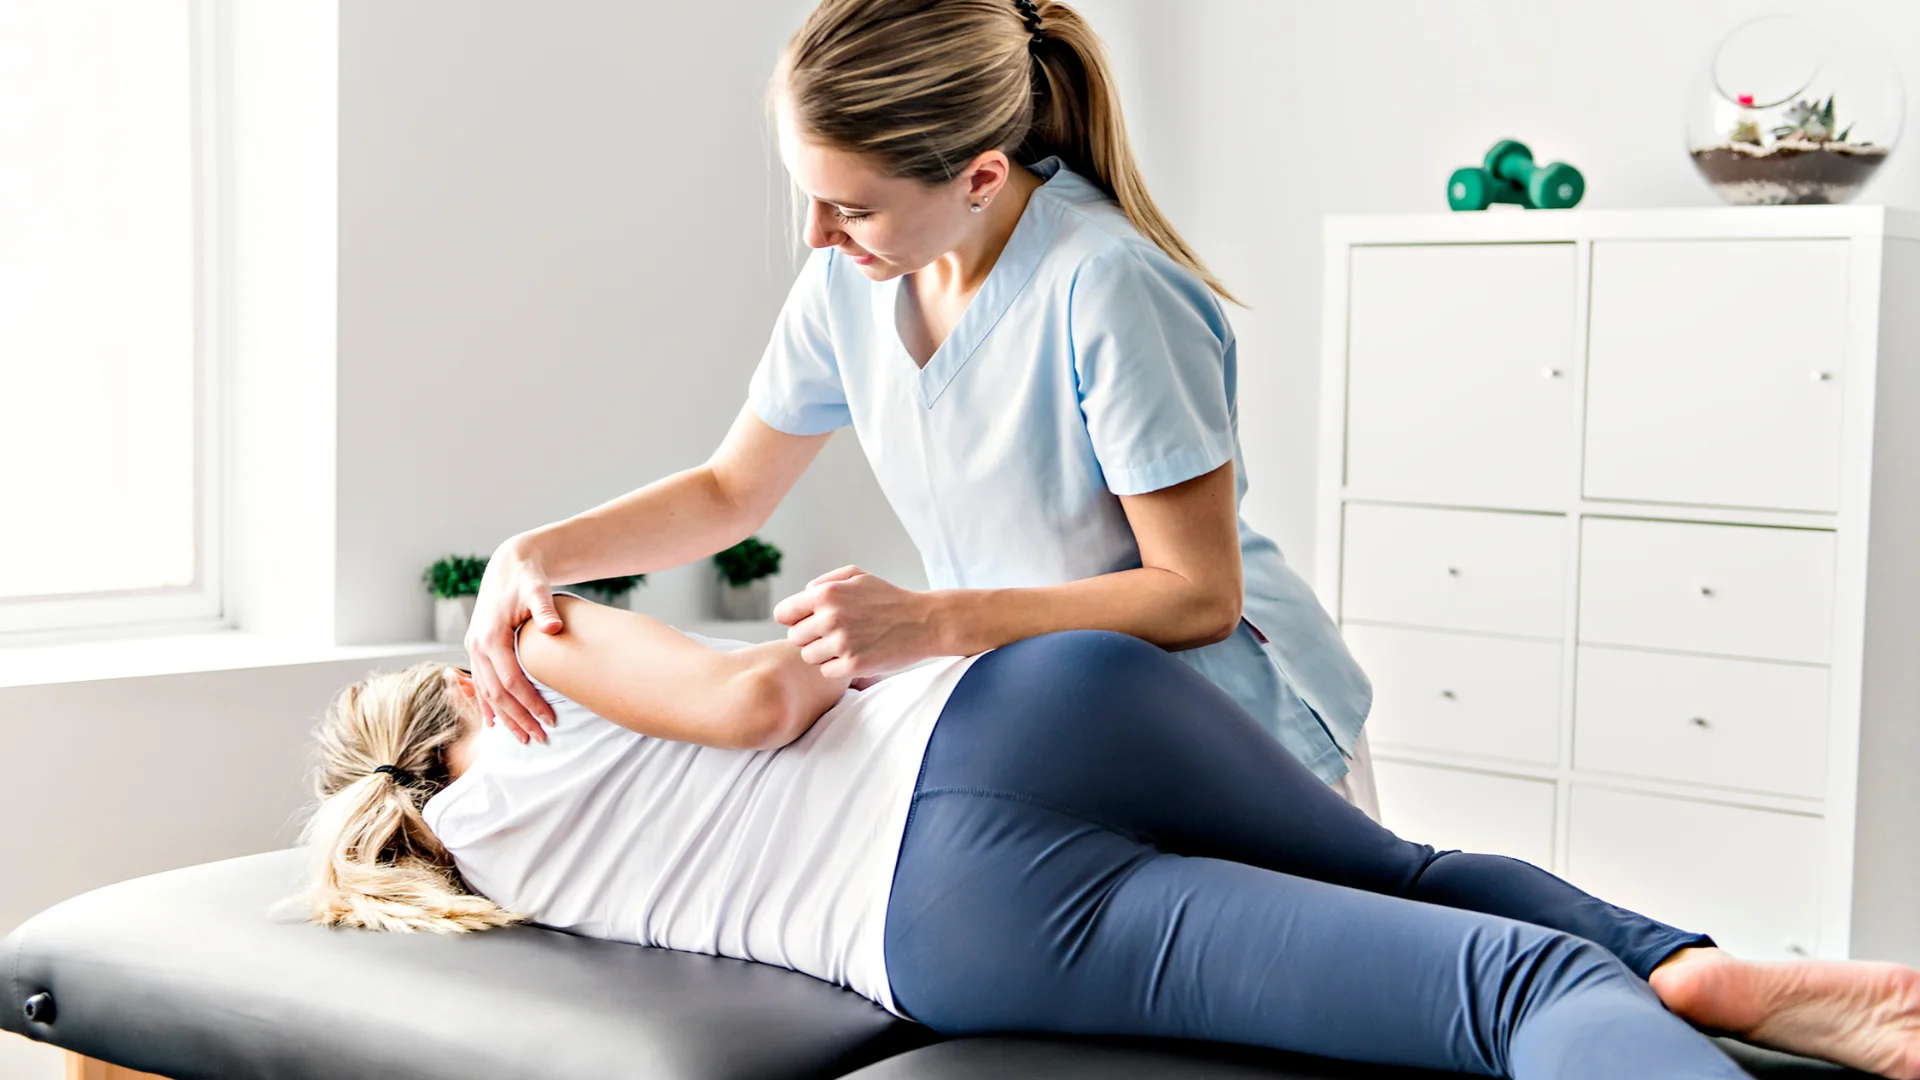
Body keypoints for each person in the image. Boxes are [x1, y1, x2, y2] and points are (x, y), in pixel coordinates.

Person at [289, 594, 1920, 1080]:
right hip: (1027, 715)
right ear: (446, 696)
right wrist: (805, 642)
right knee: (1433, 893)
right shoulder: (522, 654)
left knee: (1505, 996)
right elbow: (763, 708)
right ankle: (1690, 972)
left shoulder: (474, 869)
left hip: (956, 922)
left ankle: (1684, 987)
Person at [462, 0, 1378, 810]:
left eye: (853, 208)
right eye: (810, 198)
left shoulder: (1107, 286)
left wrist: (928, 624)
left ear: (981, 177)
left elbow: (1198, 595)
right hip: (1073, 712)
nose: (819, 235)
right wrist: (535, 553)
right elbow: (730, 493)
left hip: (1244, 733)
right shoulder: (848, 280)